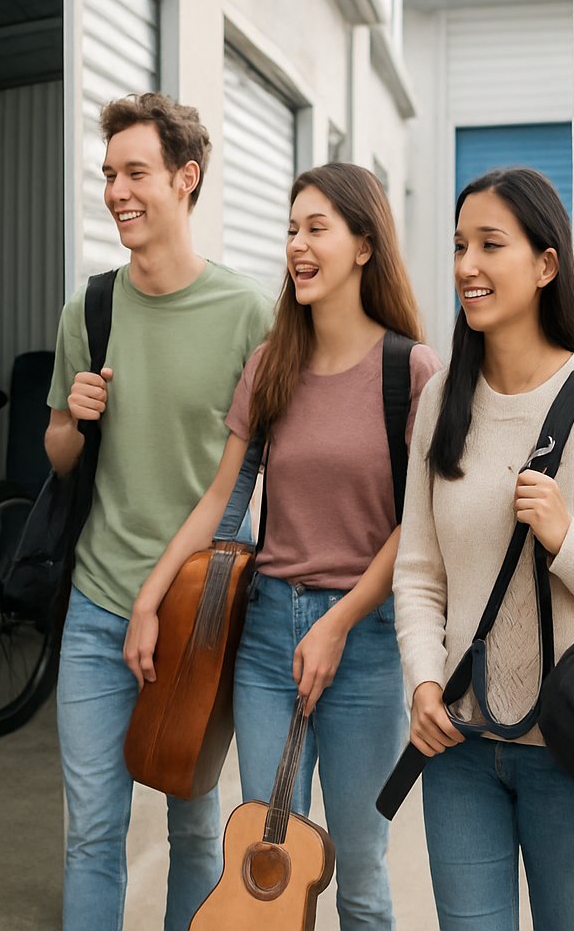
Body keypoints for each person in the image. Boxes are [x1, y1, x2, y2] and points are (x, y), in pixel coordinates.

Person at [126, 161, 440, 929]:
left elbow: (422, 526)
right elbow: (222, 502)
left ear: (365, 245)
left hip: (363, 646)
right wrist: (149, 600)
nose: (297, 246)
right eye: (291, 230)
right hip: (267, 641)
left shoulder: (411, 369)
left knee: (360, 874)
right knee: (262, 871)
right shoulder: (272, 366)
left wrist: (337, 624)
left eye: (316, 229)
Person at [45, 92, 272, 931]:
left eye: (135, 171)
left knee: (192, 826)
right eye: (108, 175)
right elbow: (59, 455)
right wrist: (72, 417)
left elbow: (254, 474)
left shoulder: (250, 313)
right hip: (99, 608)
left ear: (186, 178)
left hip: (197, 613)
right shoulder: (91, 309)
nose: (116, 191)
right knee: (93, 833)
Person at [393, 166, 574, 930]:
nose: (466, 267)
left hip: (567, 752)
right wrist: (421, 686)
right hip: (459, 749)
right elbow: (417, 571)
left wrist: (562, 538)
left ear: (546, 265)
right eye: (458, 246)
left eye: (489, 245)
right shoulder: (443, 399)